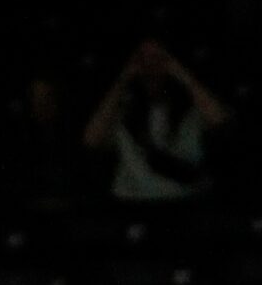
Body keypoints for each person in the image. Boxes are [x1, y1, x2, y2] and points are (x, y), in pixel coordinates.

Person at [83, 39, 229, 204]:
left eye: (158, 57)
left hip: (185, 196)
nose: (151, 64)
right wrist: (122, 80)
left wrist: (180, 72)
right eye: (143, 58)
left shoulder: (193, 106)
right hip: (132, 198)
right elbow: (91, 140)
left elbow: (220, 121)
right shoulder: (121, 108)